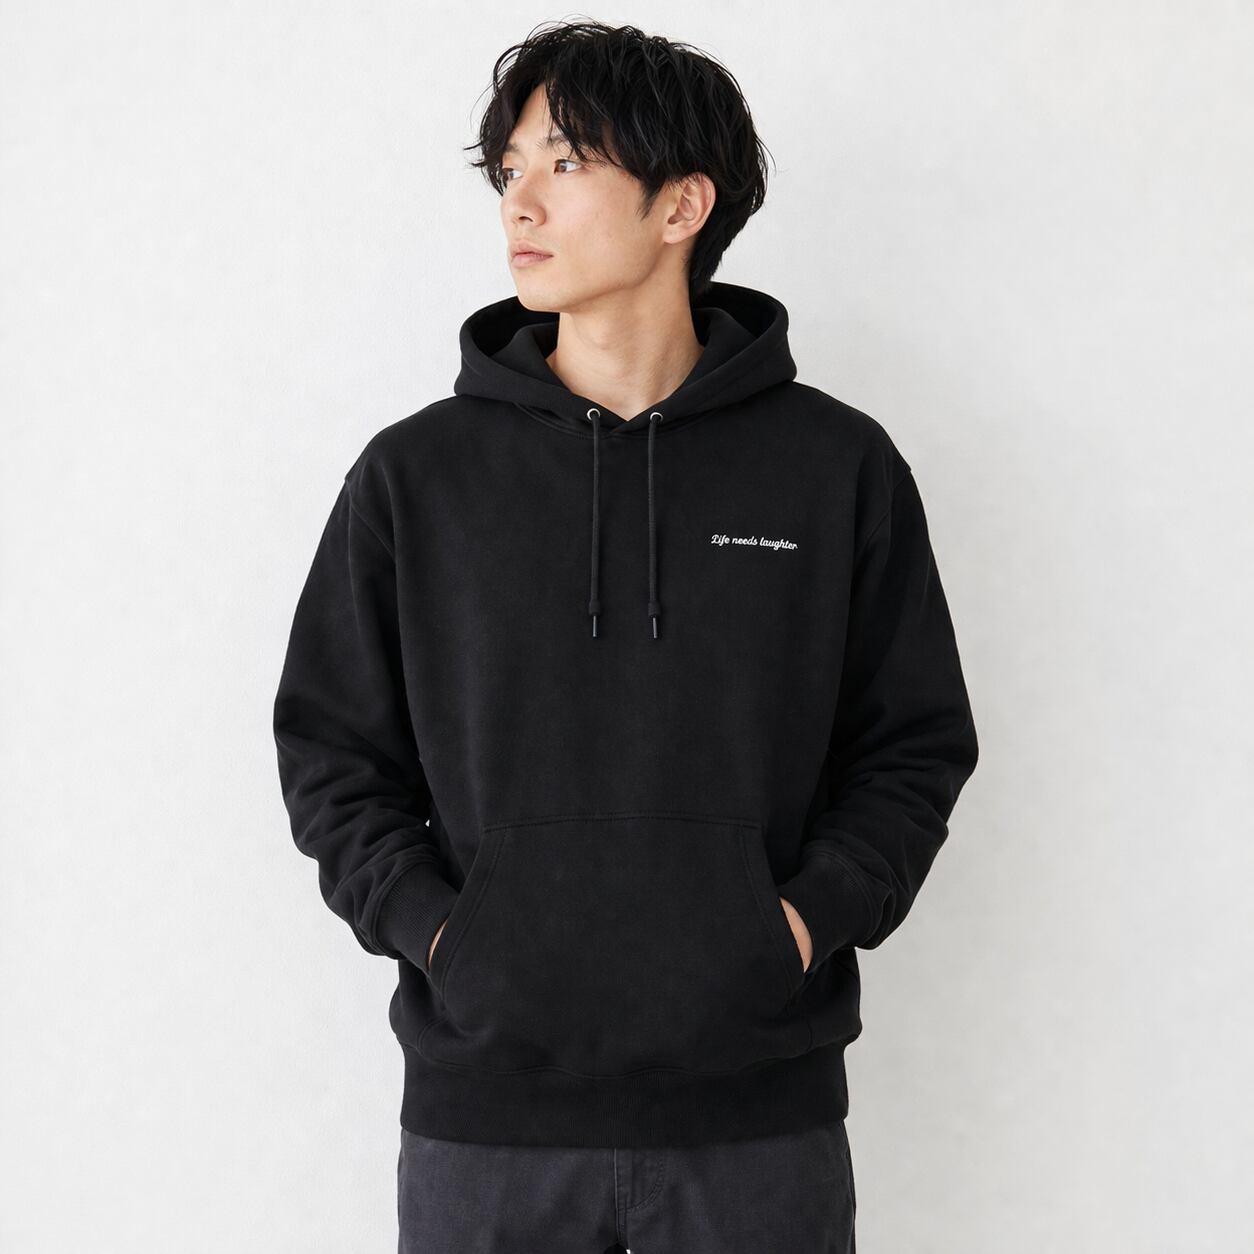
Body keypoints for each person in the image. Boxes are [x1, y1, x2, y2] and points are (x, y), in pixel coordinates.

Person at [272, 19, 979, 1254]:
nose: (520, 201)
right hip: (486, 1130)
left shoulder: (835, 468)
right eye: (510, 169)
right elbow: (333, 755)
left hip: (757, 1125)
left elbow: (912, 746)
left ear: (681, 206)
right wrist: (444, 937)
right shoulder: (416, 478)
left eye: (566, 162)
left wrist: (797, 925)